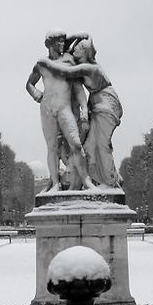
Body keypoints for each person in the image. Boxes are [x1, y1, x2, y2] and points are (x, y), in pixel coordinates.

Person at [35, 34, 123, 188]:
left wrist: (45, 63)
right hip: (96, 102)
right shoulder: (77, 62)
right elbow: (60, 51)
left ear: (85, 52)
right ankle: (109, 177)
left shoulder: (89, 67)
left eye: (78, 49)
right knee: (91, 145)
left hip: (106, 103)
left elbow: (65, 71)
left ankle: (109, 182)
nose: (72, 50)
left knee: (102, 144)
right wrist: (77, 36)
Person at [25, 31, 94, 191]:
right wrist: (37, 95)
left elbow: (78, 88)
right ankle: (55, 183)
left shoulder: (69, 62)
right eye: (59, 42)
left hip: (64, 109)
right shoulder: (41, 65)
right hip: (47, 109)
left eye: (64, 41)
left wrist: (84, 108)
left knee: (76, 144)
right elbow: (29, 84)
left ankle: (86, 181)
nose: (62, 45)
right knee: (52, 148)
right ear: (50, 44)